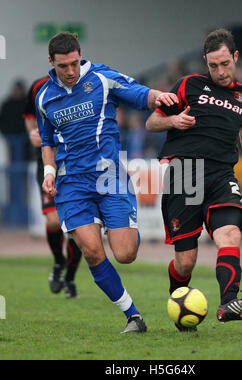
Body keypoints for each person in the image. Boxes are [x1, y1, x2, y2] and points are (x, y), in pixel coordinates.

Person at [36, 32, 177, 334]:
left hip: (109, 177)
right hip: (71, 184)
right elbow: (47, 140)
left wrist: (159, 97)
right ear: (51, 63)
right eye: (64, 66)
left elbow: (139, 93)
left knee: (125, 254)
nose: (71, 71)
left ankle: (123, 219)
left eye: (74, 63)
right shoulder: (44, 97)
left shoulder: (101, 78)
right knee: (91, 251)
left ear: (80, 56)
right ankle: (134, 316)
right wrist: (49, 172)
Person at [146, 29, 242, 331]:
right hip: (184, 174)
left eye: (225, 64)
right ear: (205, 62)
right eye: (213, 66)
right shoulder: (188, 85)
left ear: (235, 57)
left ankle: (229, 302)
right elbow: (152, 122)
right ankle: (179, 304)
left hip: (221, 174)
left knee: (229, 235)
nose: (220, 71)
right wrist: (173, 120)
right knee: (185, 261)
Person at [23, 76, 83, 299]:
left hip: (76, 159)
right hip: (47, 159)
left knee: (77, 228)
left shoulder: (87, 85)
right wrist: (32, 134)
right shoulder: (38, 86)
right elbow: (30, 117)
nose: (68, 70)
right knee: (54, 220)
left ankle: (70, 277)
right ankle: (59, 262)